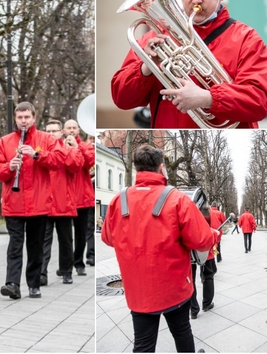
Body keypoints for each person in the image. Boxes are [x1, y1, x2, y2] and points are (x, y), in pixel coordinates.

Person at [111, 0, 267, 129]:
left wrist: (208, 98)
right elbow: (121, 99)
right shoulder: (155, 40)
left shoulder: (247, 39)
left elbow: (260, 101)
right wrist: (146, 67)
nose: (196, 0)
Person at [102, 145, 217, 352]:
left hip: (138, 290)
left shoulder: (119, 200)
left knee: (143, 344)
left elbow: (109, 238)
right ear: (161, 167)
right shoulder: (178, 199)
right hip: (173, 287)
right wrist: (214, 235)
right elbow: (201, 240)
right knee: (182, 333)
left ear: (137, 168)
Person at [0, 102, 62, 300]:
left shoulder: (45, 139)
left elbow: (58, 161)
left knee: (35, 246)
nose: (23, 121)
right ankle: (12, 284)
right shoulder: (5, 142)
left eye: (27, 117)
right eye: (20, 117)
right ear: (15, 118)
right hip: (14, 202)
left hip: (38, 204)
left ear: (34, 118)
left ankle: (33, 284)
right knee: (15, 244)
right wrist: (9, 167)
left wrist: (36, 154)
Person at [40, 119, 82, 286]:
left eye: (54, 131)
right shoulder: (40, 148)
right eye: (48, 131)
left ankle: (66, 271)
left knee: (66, 241)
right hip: (44, 202)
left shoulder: (67, 148)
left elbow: (76, 166)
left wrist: (73, 149)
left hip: (63, 201)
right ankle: (41, 272)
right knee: (43, 241)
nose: (51, 134)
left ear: (61, 132)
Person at [64, 119, 96, 272]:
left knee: (81, 233)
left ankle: (79, 262)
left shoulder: (86, 146)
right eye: (68, 128)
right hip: (66, 197)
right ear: (64, 131)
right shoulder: (59, 146)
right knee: (66, 234)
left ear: (78, 130)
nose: (71, 130)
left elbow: (90, 162)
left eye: (74, 128)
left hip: (82, 196)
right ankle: (67, 263)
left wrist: (77, 148)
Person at [189, 205, 222, 319]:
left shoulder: (187, 209)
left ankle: (193, 309)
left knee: (190, 279)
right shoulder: (210, 212)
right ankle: (207, 303)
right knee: (208, 276)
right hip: (206, 249)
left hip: (188, 251)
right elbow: (217, 231)